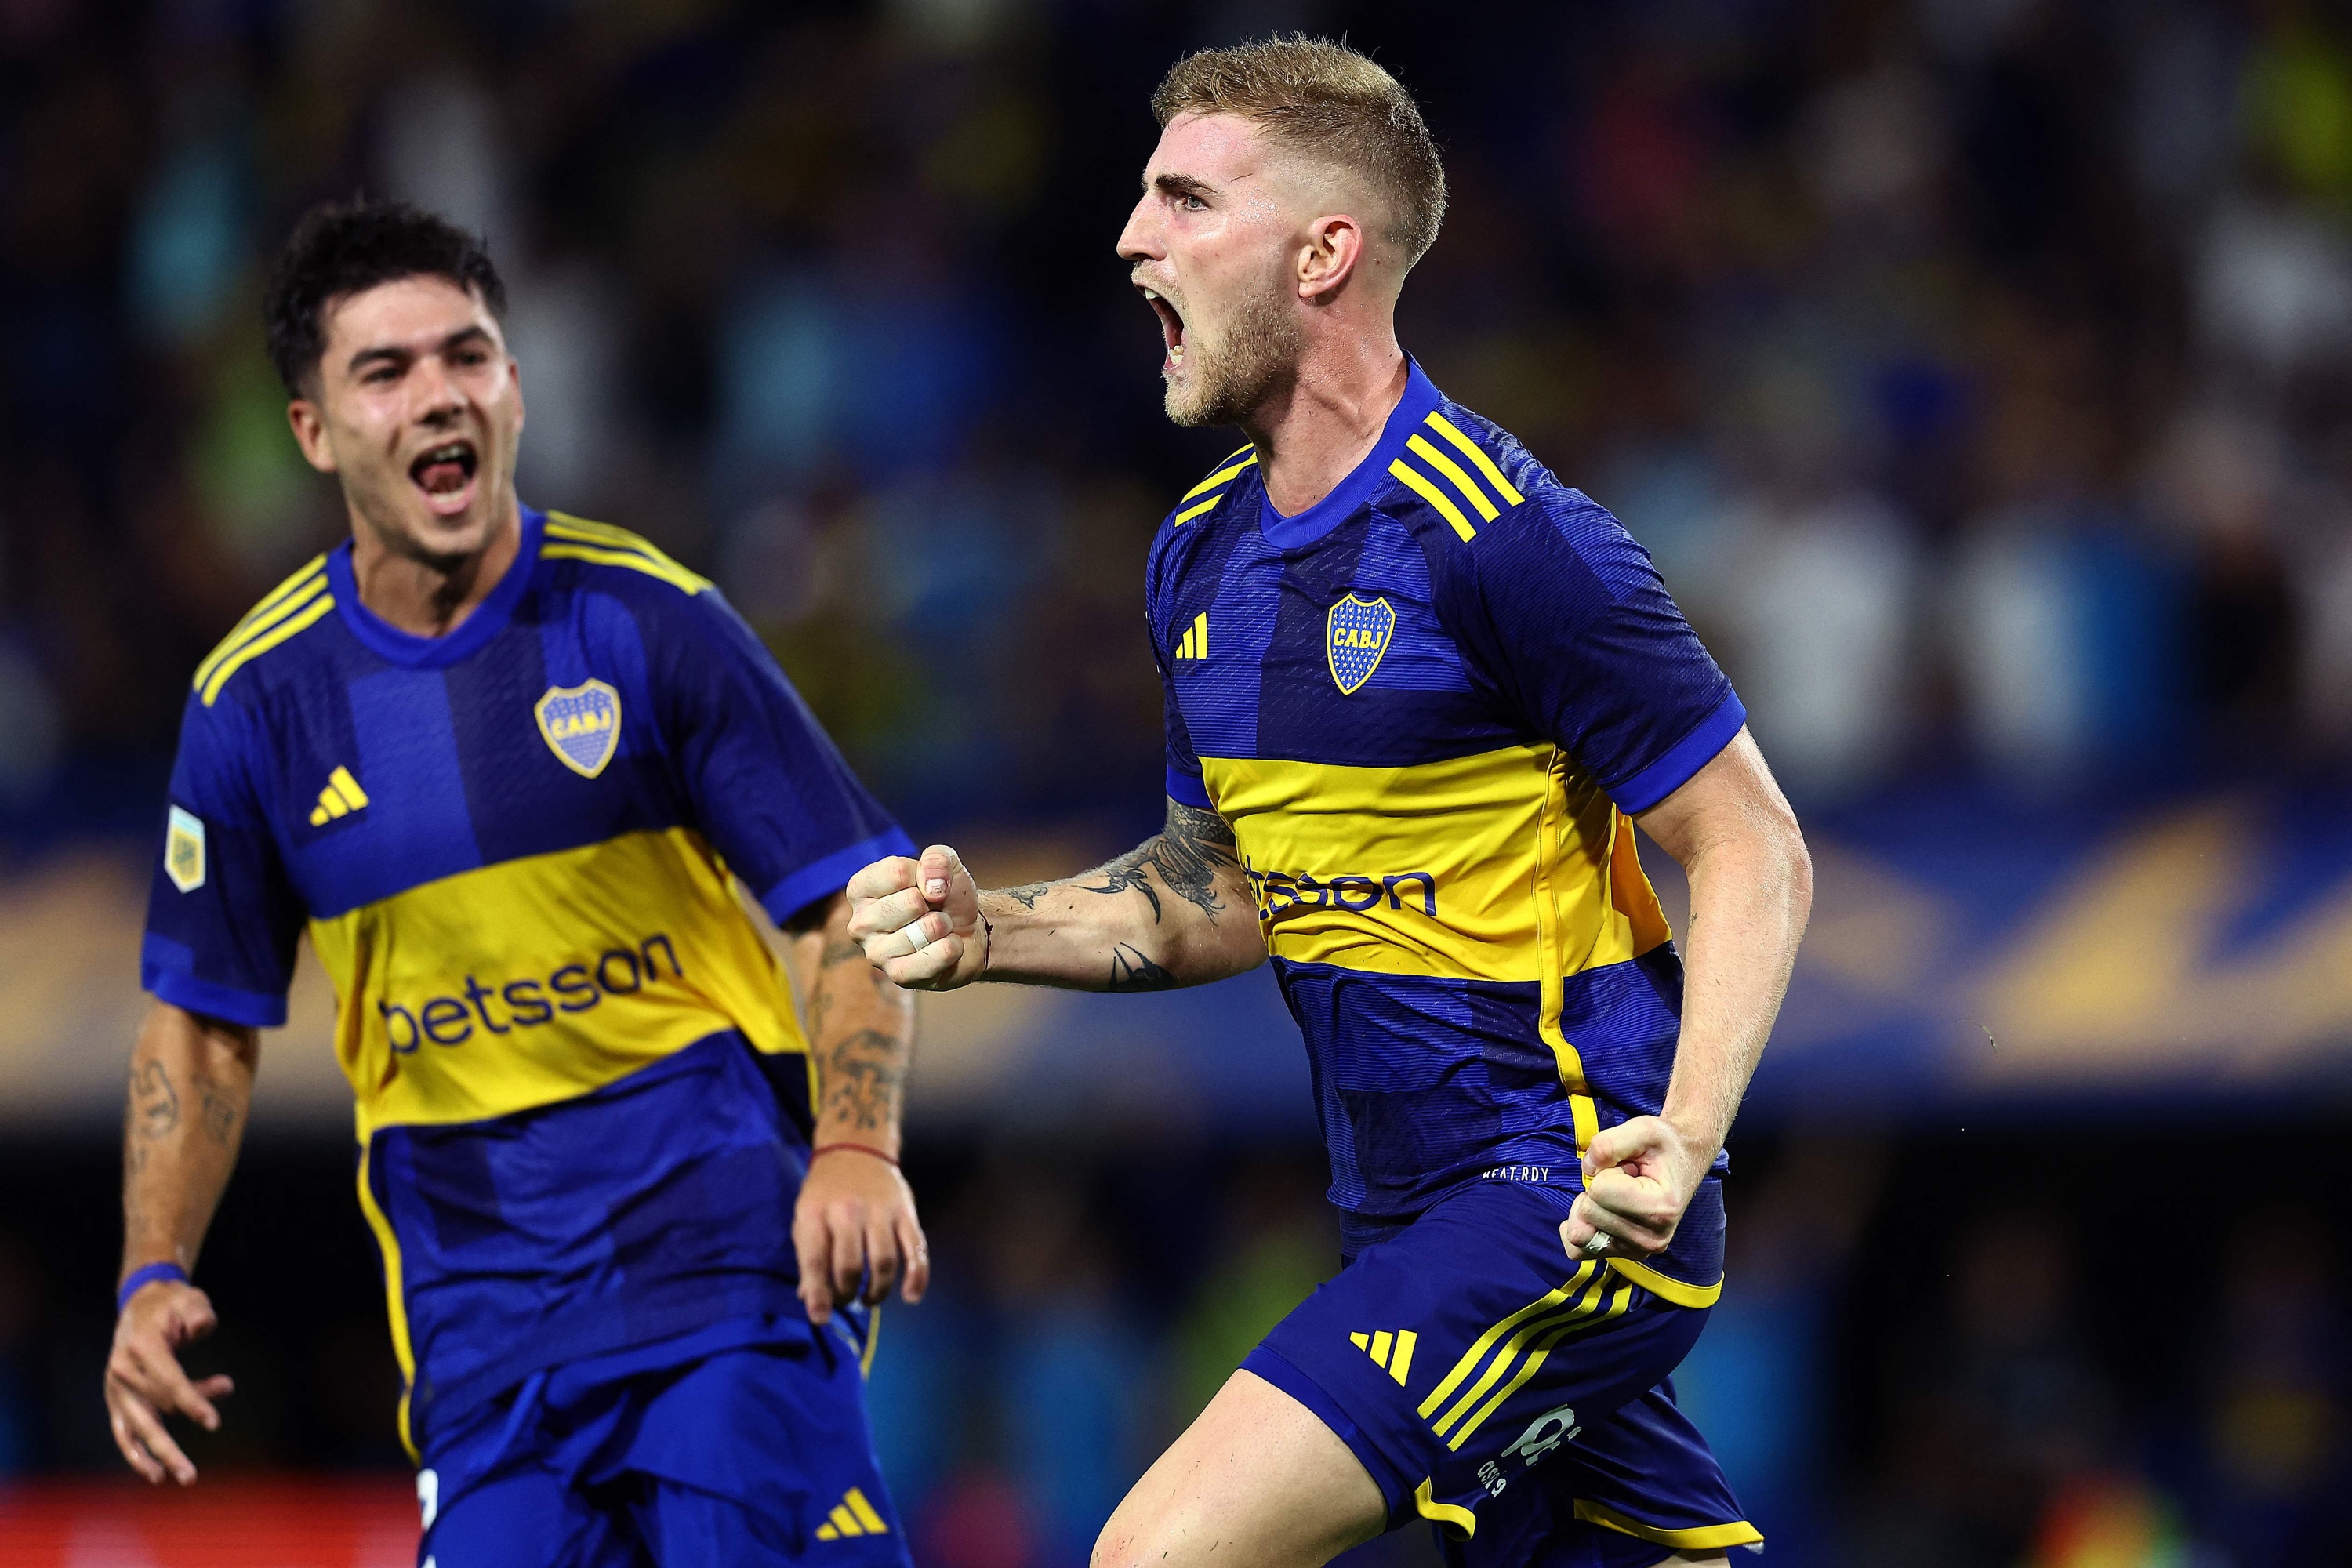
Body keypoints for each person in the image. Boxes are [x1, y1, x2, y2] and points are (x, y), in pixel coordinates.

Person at [847, 37, 1812, 1568]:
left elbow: (1752, 839)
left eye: (1184, 199)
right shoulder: (1198, 552)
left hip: (1559, 1193)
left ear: (1325, 251)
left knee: (1153, 1554)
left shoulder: (1511, 538)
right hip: (1402, 1217)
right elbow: (1217, 894)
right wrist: (991, 934)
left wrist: (1686, 1135)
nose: (1130, 237)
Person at [106, 199, 927, 1567]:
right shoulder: (255, 702)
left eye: (468, 355)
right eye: (387, 370)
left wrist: (853, 1145)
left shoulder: (649, 620)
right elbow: (202, 1021)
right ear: (312, 430)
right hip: (481, 1341)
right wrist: (150, 1274)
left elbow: (852, 899)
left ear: (516, 388)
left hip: (723, 1286)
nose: (440, 396)